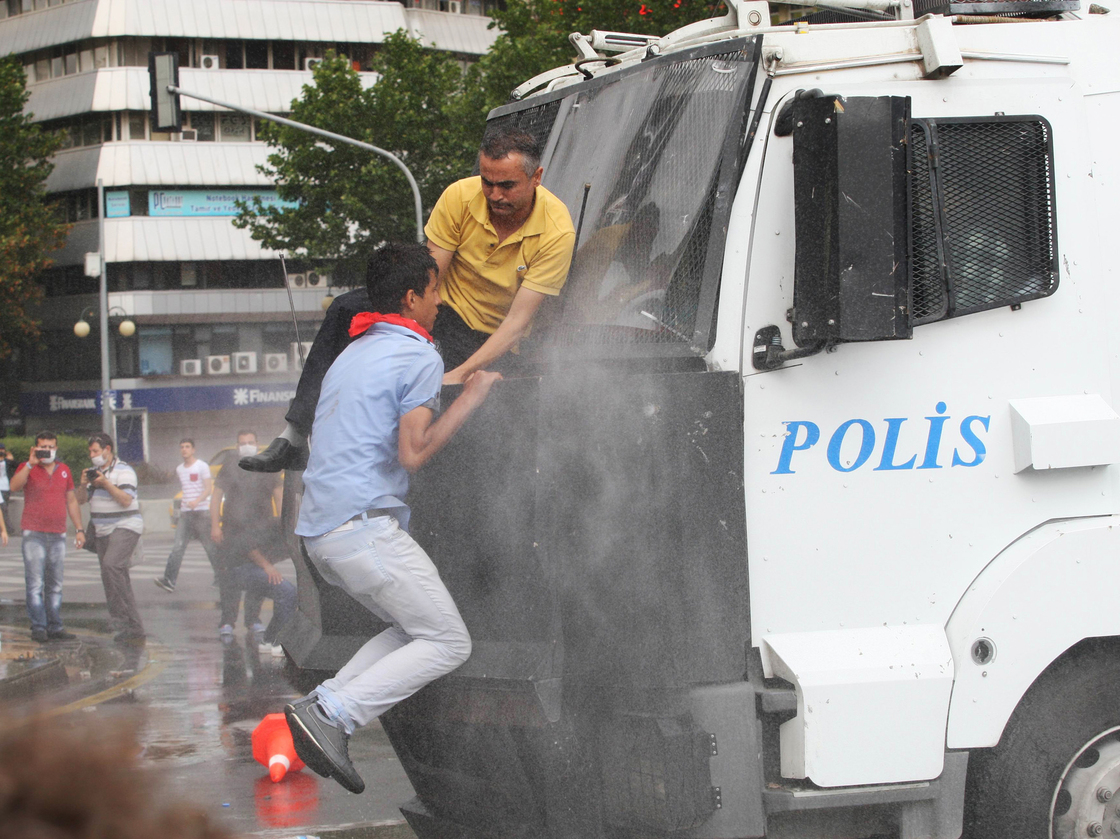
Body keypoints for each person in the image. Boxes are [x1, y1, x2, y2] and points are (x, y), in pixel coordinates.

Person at [285, 242, 501, 794]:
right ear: (411, 296)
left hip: (321, 533)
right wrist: (472, 397)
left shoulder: (353, 353)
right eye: (434, 293)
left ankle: (322, 702)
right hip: (362, 530)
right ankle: (333, 713)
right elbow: (414, 452)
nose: (438, 304)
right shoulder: (418, 354)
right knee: (449, 642)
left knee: (412, 629)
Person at [241, 125, 574, 473]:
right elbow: (426, 279)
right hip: (442, 310)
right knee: (346, 309)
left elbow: (516, 324)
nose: (494, 195)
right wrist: (408, 336)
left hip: (494, 338)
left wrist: (459, 373)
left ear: (536, 177)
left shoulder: (557, 231)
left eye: (507, 185)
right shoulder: (459, 196)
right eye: (486, 182)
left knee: (472, 429)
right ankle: (294, 436)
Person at [211, 429, 293, 651]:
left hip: (262, 529)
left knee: (258, 577)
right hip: (232, 530)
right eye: (242, 443)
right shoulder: (231, 465)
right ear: (237, 446)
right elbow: (217, 494)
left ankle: (252, 620)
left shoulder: (268, 465)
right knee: (229, 577)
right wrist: (214, 525)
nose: (246, 445)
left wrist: (283, 520)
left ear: (257, 444)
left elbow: (278, 492)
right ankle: (227, 620)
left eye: (250, 442)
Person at [9, 431, 85, 643]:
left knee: (55, 584)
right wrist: (30, 464)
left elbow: (71, 501)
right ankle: (39, 626)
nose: (47, 451)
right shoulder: (28, 468)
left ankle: (55, 625)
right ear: (35, 448)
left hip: (58, 533)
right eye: (43, 447)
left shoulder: (64, 470)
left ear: (56, 448)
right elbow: (14, 487)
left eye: (51, 447)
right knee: (35, 583)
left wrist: (79, 528)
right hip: (34, 533)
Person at [77, 432, 145, 644]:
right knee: (111, 576)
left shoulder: (124, 471)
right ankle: (126, 624)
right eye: (90, 452)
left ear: (108, 449)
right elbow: (80, 500)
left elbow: (126, 500)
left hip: (125, 525)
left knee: (112, 566)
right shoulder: (93, 474)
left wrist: (106, 484)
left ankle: (130, 623)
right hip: (101, 530)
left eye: (96, 451)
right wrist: (82, 484)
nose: (92, 455)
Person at [154, 438, 220, 592]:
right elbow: (186, 488)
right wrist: (186, 504)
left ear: (193, 449)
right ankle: (169, 580)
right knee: (178, 547)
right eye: (182, 447)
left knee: (210, 547)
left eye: (187, 447)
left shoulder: (202, 466)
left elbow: (208, 488)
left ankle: (221, 578)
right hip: (186, 514)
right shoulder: (180, 469)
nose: (184, 450)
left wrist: (197, 501)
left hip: (202, 512)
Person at [0, 442, 14, 532]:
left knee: (4, 509)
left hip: (5, 488)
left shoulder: (7, 461)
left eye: (2, 450)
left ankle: (6, 529)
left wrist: (10, 459)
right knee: (3, 509)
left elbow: (16, 465)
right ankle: (8, 529)